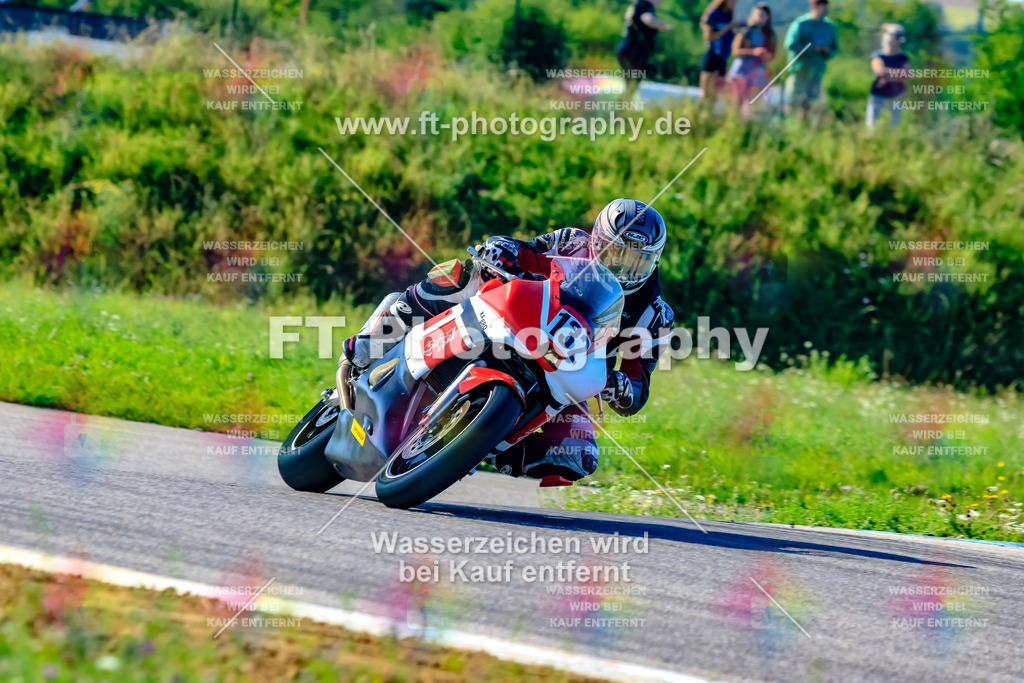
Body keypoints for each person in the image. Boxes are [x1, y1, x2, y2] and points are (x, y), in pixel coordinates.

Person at [342, 199, 675, 483]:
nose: (623, 267)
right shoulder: (570, 241)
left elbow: (638, 384)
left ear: (654, 261)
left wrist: (620, 387)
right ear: (596, 240)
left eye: (637, 260)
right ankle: (370, 342)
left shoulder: (654, 316)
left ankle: (483, 449)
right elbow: (525, 250)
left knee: (578, 454)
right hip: (520, 317)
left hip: (566, 368)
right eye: (615, 253)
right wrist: (503, 248)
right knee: (461, 273)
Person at [783, 0, 838, 118]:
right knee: (793, 104)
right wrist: (813, 49)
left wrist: (827, 51)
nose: (825, 9)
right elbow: (790, 45)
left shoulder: (829, 27)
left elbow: (834, 48)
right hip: (799, 71)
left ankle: (806, 131)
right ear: (814, 6)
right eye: (823, 6)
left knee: (810, 106)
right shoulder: (801, 23)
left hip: (816, 73)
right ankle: (789, 129)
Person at [726, 3, 776, 117]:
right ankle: (735, 124)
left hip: (758, 71)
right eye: (758, 14)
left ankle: (749, 126)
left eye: (763, 15)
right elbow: (736, 51)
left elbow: (773, 53)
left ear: (768, 17)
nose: (760, 17)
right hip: (742, 70)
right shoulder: (745, 31)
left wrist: (766, 56)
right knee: (738, 101)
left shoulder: (770, 35)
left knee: (753, 102)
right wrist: (753, 52)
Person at [616, 0, 672, 101]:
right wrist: (663, 25)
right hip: (634, 52)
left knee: (631, 84)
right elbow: (648, 20)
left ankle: (620, 111)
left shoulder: (638, 4)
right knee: (632, 84)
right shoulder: (644, 4)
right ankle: (619, 111)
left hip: (628, 50)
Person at [699, 0, 744, 106]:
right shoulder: (714, 14)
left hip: (723, 59)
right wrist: (728, 27)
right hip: (713, 56)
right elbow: (709, 37)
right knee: (706, 94)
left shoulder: (729, 15)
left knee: (715, 95)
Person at [866, 24, 910, 131]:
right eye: (897, 37)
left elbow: (908, 74)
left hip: (896, 95)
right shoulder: (878, 55)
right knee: (872, 127)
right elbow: (879, 70)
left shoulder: (902, 57)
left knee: (893, 126)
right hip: (879, 94)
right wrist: (898, 73)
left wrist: (888, 75)